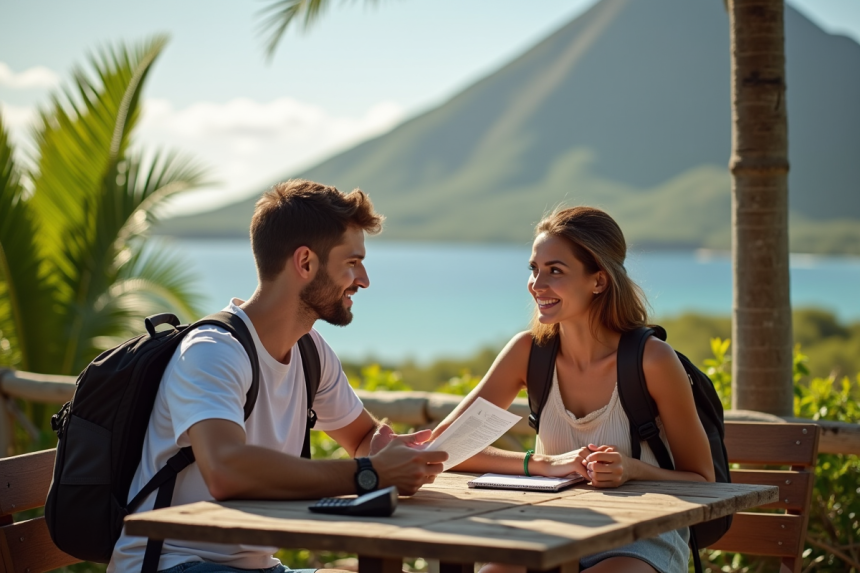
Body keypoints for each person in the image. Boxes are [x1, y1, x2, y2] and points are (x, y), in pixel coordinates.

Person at [109, 180, 448, 573]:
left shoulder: (309, 351)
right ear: (305, 262)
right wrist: (370, 474)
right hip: (173, 564)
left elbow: (359, 437)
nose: (364, 279)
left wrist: (391, 449)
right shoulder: (213, 351)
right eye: (352, 263)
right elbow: (225, 470)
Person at [431, 206, 714, 573]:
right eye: (534, 269)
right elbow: (446, 447)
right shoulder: (527, 353)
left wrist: (633, 469)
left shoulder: (652, 361)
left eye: (555, 271)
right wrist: (545, 465)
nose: (537, 284)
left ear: (598, 280)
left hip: (640, 541)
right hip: (548, 534)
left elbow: (702, 480)